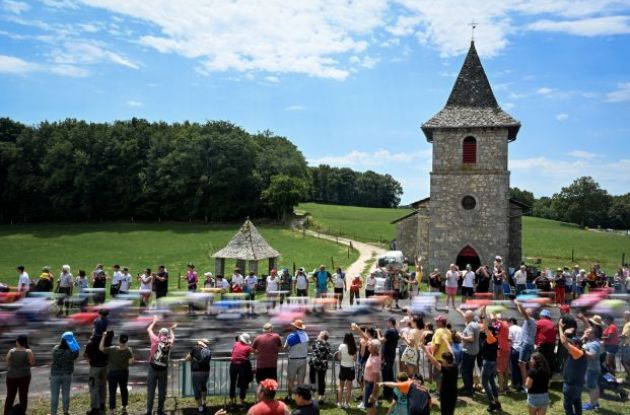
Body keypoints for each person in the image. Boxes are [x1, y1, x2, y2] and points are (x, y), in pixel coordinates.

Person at [146, 316, 176, 415]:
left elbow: (149, 329)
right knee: (162, 391)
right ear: (166, 335)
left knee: (151, 391)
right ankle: (160, 410)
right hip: (163, 369)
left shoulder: (155, 340)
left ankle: (149, 411)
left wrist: (154, 322)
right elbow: (173, 337)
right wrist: (171, 329)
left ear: (159, 333)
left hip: (152, 368)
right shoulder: (170, 342)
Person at [100, 331, 134, 415]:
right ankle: (124, 407)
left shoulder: (112, 349)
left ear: (119, 340)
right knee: (123, 389)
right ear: (126, 341)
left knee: (112, 391)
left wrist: (103, 337)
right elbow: (131, 362)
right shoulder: (129, 350)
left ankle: (112, 410)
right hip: (123, 373)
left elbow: (101, 348)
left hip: (112, 373)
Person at [559, 319, 587, 415]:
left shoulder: (577, 353)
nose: (570, 344)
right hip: (576, 385)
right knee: (577, 403)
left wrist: (560, 327)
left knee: (568, 406)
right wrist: (566, 334)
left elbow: (564, 342)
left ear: (577, 345)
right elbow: (566, 342)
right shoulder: (578, 352)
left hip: (571, 386)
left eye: (572, 343)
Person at [4, 335, 35, 415]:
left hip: (11, 376)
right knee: (23, 396)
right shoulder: (28, 351)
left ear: (17, 342)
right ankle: (21, 412)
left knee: (10, 396)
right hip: (24, 376)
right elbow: (32, 363)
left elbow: (7, 363)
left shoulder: (11, 351)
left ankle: (6, 413)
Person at [50, 332, 80, 415]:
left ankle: (53, 413)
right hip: (67, 374)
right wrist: (73, 341)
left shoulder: (55, 349)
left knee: (54, 396)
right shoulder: (72, 351)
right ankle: (65, 411)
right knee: (66, 394)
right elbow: (77, 350)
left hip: (55, 374)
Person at [423, 347, 458, 415]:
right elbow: (452, 353)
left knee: (445, 412)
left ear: (446, 360)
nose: (442, 361)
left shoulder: (447, 370)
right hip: (453, 393)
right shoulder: (455, 366)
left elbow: (435, 362)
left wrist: (425, 350)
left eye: (443, 360)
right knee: (450, 411)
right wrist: (445, 340)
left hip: (446, 394)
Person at [478, 318, 501, 412]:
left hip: (488, 363)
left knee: (484, 383)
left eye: (486, 330)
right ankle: (497, 401)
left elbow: (486, 328)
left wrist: (483, 316)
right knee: (491, 381)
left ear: (490, 331)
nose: (483, 330)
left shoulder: (491, 338)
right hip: (491, 362)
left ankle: (492, 403)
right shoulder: (493, 338)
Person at [455, 308, 479, 396]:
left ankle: (468, 390)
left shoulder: (470, 326)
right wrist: (459, 311)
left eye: (465, 316)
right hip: (473, 351)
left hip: (468, 351)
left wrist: (460, 336)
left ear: (468, 317)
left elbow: (471, 339)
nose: (464, 317)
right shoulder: (474, 324)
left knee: (464, 371)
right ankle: (468, 386)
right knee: (469, 370)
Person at [85, 333, 110, 415]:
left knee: (94, 387)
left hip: (94, 367)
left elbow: (86, 355)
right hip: (105, 366)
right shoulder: (107, 339)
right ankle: (102, 405)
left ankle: (95, 408)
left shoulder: (91, 342)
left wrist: (90, 359)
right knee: (103, 386)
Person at [285, 319, 309, 400]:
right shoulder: (305, 335)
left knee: (291, 380)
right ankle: (300, 398)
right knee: (301, 381)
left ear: (295, 327)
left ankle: (289, 396)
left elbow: (285, 347)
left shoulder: (291, 336)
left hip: (293, 360)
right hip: (303, 360)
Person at [515, 300, 537, 390]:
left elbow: (523, 313)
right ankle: (532, 383)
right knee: (529, 365)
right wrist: (517, 305)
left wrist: (519, 304)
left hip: (526, 344)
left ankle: (526, 386)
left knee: (522, 364)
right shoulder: (531, 321)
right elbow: (522, 312)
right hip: (530, 344)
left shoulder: (530, 320)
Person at [186, 339, 211, 414]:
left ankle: (200, 409)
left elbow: (187, 359)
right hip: (206, 372)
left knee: (197, 390)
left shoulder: (195, 349)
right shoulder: (208, 351)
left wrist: (192, 358)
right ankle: (204, 403)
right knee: (203, 387)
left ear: (199, 343)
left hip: (197, 372)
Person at [379, 317, 399, 400]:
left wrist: (377, 332)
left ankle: (387, 393)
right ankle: (391, 391)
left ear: (391, 322)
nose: (386, 324)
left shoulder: (389, 331)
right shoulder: (395, 331)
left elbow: (381, 340)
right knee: (390, 374)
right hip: (391, 354)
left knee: (385, 374)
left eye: (387, 322)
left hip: (386, 356)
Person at [308, 331, 331, 403]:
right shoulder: (327, 344)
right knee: (321, 380)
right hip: (323, 364)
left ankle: (313, 394)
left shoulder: (316, 342)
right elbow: (327, 352)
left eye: (319, 334)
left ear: (322, 336)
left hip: (314, 363)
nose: (318, 335)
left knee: (313, 380)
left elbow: (313, 349)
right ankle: (321, 396)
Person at [230, 333, 253, 406]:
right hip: (242, 365)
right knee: (243, 383)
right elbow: (248, 357)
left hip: (233, 365)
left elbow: (232, 353)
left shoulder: (235, 344)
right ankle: (241, 401)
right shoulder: (248, 347)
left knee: (232, 383)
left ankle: (232, 400)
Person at [582, 328, 602, 411]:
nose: (585, 333)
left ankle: (591, 404)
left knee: (592, 387)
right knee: (594, 386)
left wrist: (583, 350)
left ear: (593, 334)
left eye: (587, 332)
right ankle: (595, 402)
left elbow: (593, 356)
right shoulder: (590, 342)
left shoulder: (593, 344)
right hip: (592, 368)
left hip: (592, 368)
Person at [336, 332, 357, 409]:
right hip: (351, 368)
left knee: (341, 386)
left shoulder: (341, 346)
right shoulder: (354, 347)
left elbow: (338, 358)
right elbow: (355, 359)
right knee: (349, 388)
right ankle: (346, 404)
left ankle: (339, 403)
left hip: (343, 367)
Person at [363, 340, 382, 415]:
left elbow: (376, 379)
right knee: (371, 407)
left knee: (370, 408)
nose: (368, 345)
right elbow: (369, 341)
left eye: (370, 345)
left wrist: (373, 394)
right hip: (368, 384)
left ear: (374, 348)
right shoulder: (372, 354)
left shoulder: (375, 360)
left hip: (371, 386)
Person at [508, 317, 523, 390]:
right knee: (521, 367)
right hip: (522, 349)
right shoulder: (521, 328)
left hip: (514, 349)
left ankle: (515, 383)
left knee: (514, 367)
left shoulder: (510, 328)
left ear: (511, 322)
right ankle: (521, 382)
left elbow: (509, 340)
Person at [622, 310, 630, 383]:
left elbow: (625, 335)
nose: (624, 316)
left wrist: (620, 336)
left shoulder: (628, 324)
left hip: (627, 345)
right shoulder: (626, 324)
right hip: (627, 345)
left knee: (624, 362)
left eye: (625, 315)